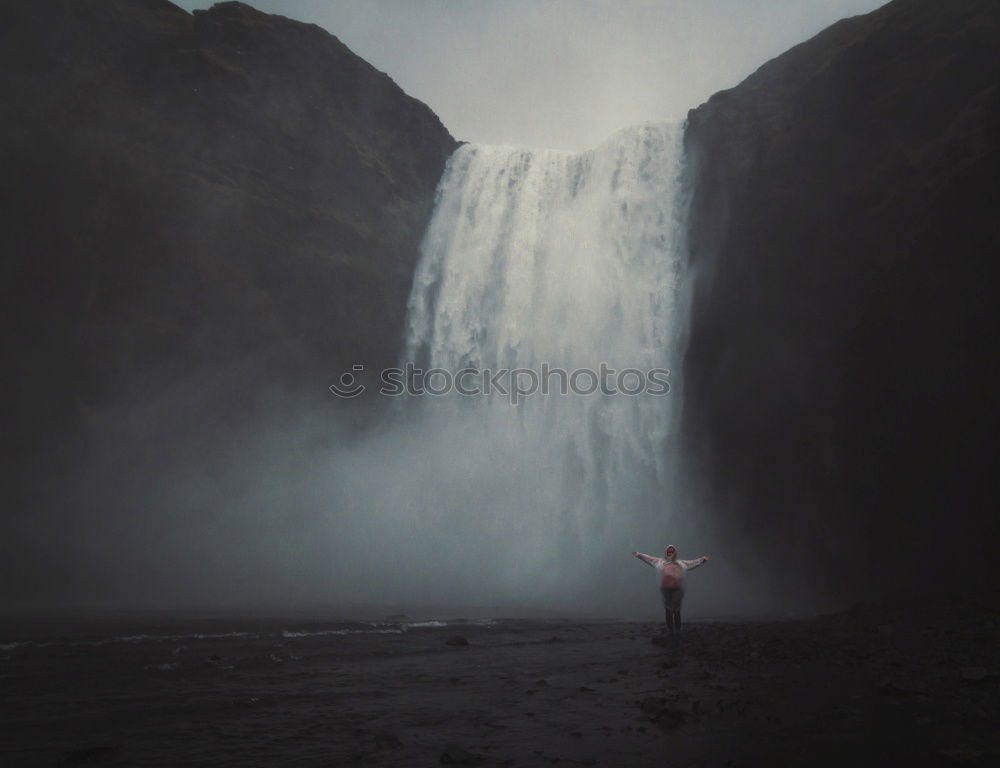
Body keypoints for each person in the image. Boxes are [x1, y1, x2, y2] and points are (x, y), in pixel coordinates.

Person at [631, 545, 709, 636]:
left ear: (675, 553)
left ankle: (678, 630)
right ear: (666, 553)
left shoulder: (681, 563)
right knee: (668, 610)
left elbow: (693, 562)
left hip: (678, 590)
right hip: (665, 589)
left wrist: (703, 559)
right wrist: (639, 555)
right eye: (669, 551)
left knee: (676, 609)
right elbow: (649, 558)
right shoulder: (660, 562)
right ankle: (670, 630)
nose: (670, 553)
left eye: (672, 551)